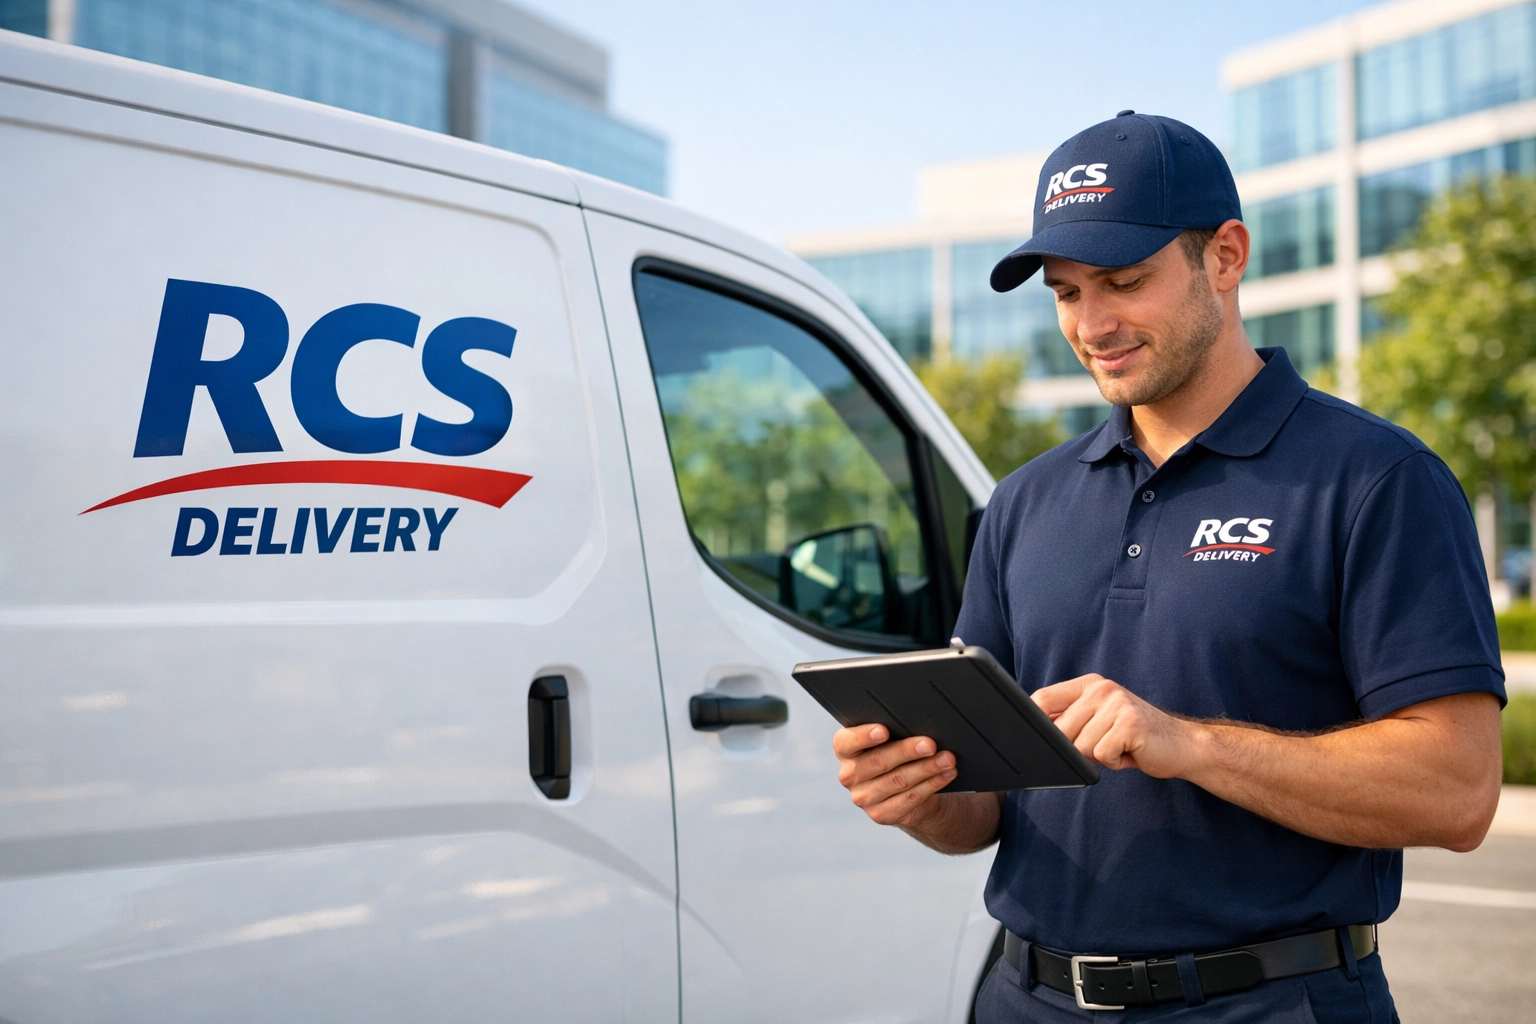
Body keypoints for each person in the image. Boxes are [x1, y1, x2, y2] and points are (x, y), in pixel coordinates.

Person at [832, 112, 1506, 1023]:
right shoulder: (1025, 504)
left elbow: (1458, 791)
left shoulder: (1378, 480)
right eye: (1067, 293)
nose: (1092, 324)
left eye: (1124, 281)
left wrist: (1188, 744)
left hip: (1268, 1004)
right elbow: (985, 814)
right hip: (1026, 999)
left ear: (1225, 256)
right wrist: (919, 796)